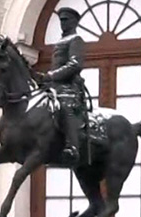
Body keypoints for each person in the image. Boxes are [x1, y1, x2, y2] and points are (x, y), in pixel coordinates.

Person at [38, 7, 87, 166]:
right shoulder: (60, 41)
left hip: (69, 87)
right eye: (61, 20)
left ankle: (72, 147)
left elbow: (75, 64)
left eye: (66, 20)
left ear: (74, 21)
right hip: (54, 86)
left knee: (64, 107)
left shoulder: (76, 39)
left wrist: (51, 76)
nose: (62, 23)